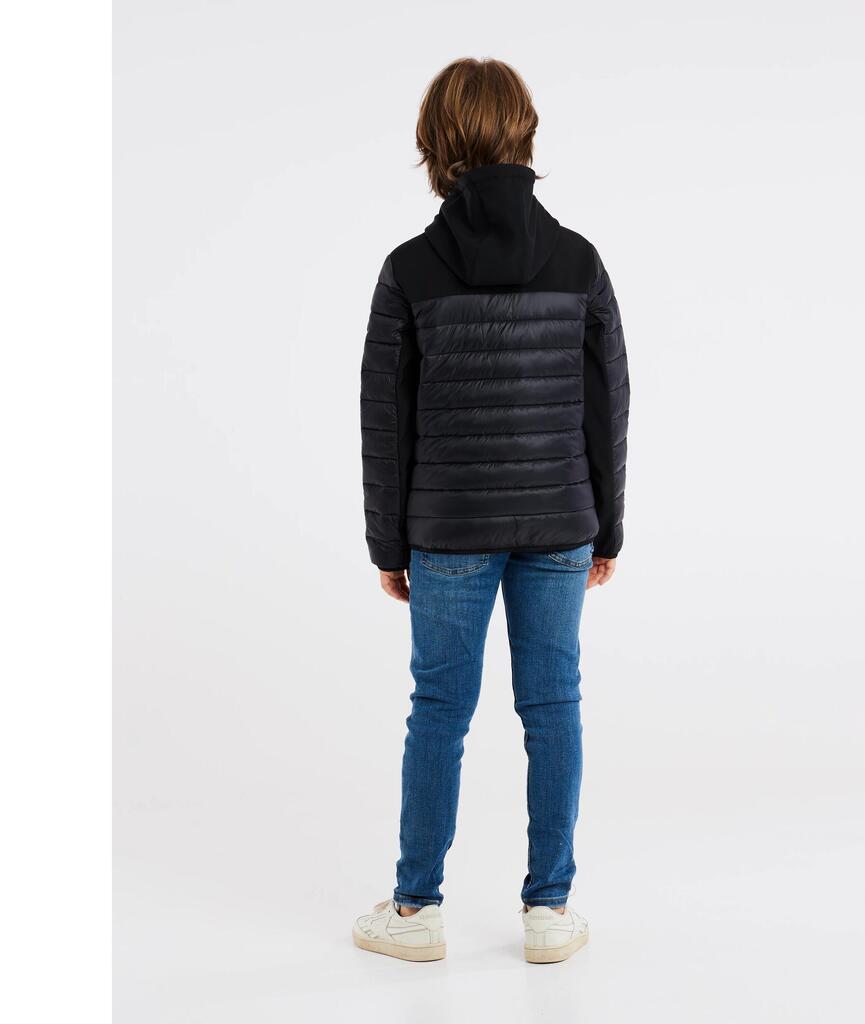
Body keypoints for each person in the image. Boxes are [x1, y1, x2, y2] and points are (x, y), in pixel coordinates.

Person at [352, 57, 629, 964]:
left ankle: (414, 913)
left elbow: (386, 419)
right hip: (559, 521)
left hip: (448, 531)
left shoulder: (409, 268)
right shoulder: (579, 259)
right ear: (526, 132)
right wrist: (606, 525)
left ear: (435, 142)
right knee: (554, 706)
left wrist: (388, 545)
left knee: (439, 709)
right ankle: (549, 912)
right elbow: (608, 404)